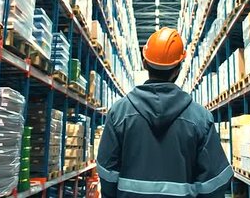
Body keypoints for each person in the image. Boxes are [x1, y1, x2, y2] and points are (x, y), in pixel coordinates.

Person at [97, 27, 232, 197]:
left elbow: (106, 170)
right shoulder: (200, 119)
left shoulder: (119, 112)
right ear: (179, 68)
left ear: (145, 63)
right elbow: (215, 180)